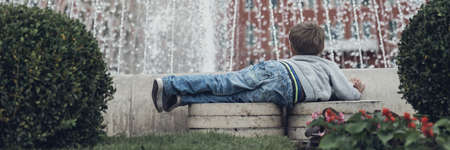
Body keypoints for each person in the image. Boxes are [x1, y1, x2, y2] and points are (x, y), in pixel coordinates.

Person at [152, 23, 365, 113]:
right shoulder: (327, 65)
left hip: (275, 67)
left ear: (291, 46)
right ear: (322, 47)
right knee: (234, 99)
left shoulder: (292, 59)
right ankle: (181, 98)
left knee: (226, 82)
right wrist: (356, 88)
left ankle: (172, 87)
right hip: (289, 89)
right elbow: (347, 94)